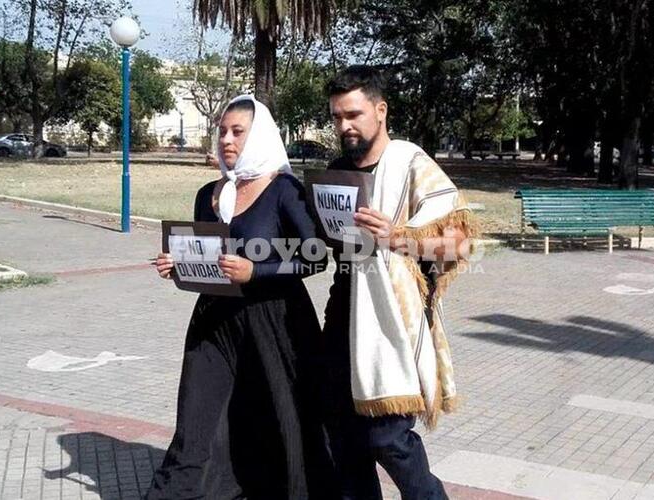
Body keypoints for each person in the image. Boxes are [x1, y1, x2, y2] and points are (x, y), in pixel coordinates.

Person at [148, 94, 333, 500]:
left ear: (259, 135)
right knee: (198, 414)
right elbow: (205, 256)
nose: (227, 140)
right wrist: (177, 265)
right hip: (215, 321)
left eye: (238, 132)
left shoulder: (283, 190)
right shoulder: (207, 194)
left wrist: (257, 270)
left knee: (282, 414)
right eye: (222, 132)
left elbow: (316, 256)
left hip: (276, 321)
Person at [320, 65, 476, 499]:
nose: (344, 125)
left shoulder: (410, 163)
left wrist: (397, 238)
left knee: (387, 439)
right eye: (336, 117)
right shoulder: (337, 170)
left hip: (394, 323)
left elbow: (461, 243)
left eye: (353, 114)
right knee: (343, 438)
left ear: (381, 110)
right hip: (343, 315)